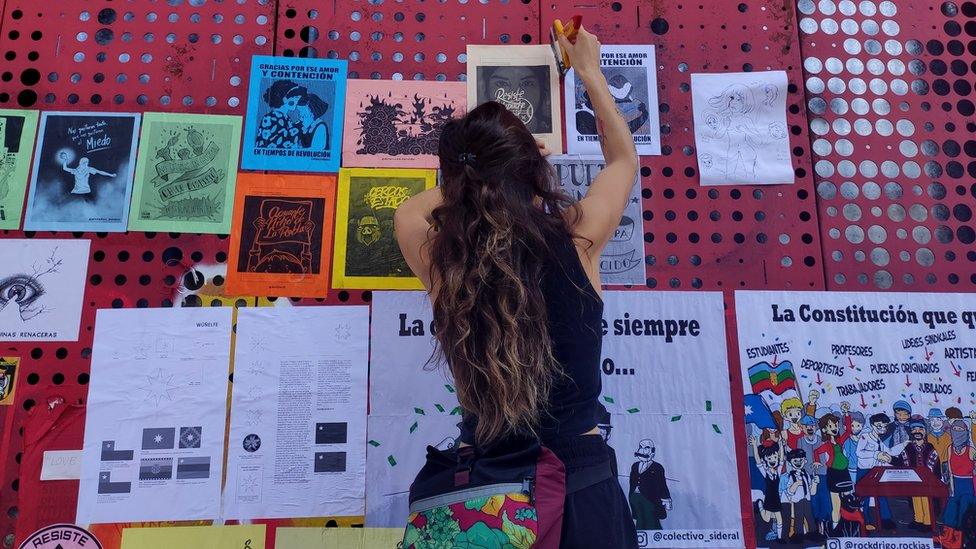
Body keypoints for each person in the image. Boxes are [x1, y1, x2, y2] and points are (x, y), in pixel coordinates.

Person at [395, 26, 639, 548]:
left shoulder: (444, 261)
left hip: (484, 498)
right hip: (580, 490)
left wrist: (473, 167)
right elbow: (623, 162)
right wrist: (590, 73)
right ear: (534, 169)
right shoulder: (577, 240)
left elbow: (411, 210)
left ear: (454, 182)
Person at [896, 415, 939, 532]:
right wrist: (888, 458)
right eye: (914, 429)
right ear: (911, 431)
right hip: (913, 479)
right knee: (915, 499)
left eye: (920, 429)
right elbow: (900, 461)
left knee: (926, 499)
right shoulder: (909, 447)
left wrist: (935, 480)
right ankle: (918, 519)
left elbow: (935, 464)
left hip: (927, 480)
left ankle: (928, 521)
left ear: (925, 431)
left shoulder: (930, 447)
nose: (917, 432)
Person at [480, 66, 549, 133]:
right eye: (502, 83)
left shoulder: (548, 127)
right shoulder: (480, 129)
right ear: (486, 90)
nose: (515, 93)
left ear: (542, 90)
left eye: (526, 83)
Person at [855, 413, 895, 530]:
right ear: (872, 425)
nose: (882, 429)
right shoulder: (865, 437)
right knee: (864, 497)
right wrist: (876, 454)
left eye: (885, 427)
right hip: (864, 470)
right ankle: (865, 520)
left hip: (878, 470)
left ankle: (885, 520)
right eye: (879, 426)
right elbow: (859, 453)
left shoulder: (884, 439)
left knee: (882, 494)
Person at [779, 448, 822, 543]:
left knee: (810, 516)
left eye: (801, 460)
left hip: (806, 499)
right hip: (797, 500)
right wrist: (796, 484)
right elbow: (789, 491)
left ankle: (813, 533)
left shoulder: (806, 474)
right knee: (799, 518)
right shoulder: (791, 476)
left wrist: (815, 483)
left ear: (805, 461)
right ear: (790, 462)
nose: (798, 462)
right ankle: (799, 535)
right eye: (795, 460)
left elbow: (812, 492)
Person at [629, 439, 671, 530]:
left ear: (652, 451)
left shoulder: (657, 467)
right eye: (641, 447)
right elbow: (632, 483)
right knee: (640, 522)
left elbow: (662, 485)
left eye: (646, 448)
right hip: (636, 499)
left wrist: (666, 499)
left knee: (652, 523)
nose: (643, 451)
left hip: (650, 501)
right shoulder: (635, 466)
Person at [751, 436, 784, 542]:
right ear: (765, 459)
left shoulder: (778, 471)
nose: (773, 460)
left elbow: (782, 459)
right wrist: (754, 446)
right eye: (769, 458)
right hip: (769, 498)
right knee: (766, 518)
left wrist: (781, 445)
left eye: (774, 457)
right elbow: (757, 460)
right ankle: (760, 505)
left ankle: (779, 538)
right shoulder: (765, 472)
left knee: (779, 519)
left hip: (776, 498)